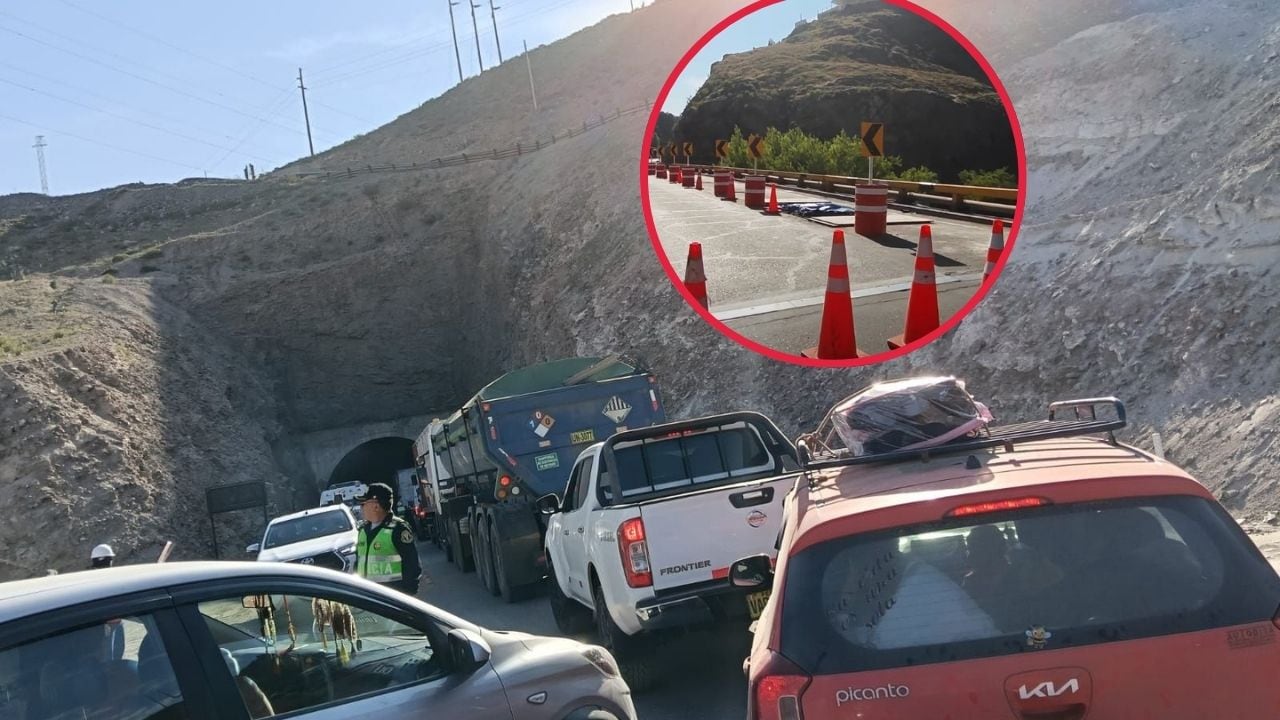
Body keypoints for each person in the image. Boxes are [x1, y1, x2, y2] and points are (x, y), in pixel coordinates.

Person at [355, 483, 422, 595]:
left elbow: (412, 564)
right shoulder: (362, 530)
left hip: (392, 598)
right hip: (369, 597)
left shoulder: (398, 529)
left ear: (376, 506)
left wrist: (406, 596)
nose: (361, 508)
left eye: (363, 504)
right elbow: (358, 563)